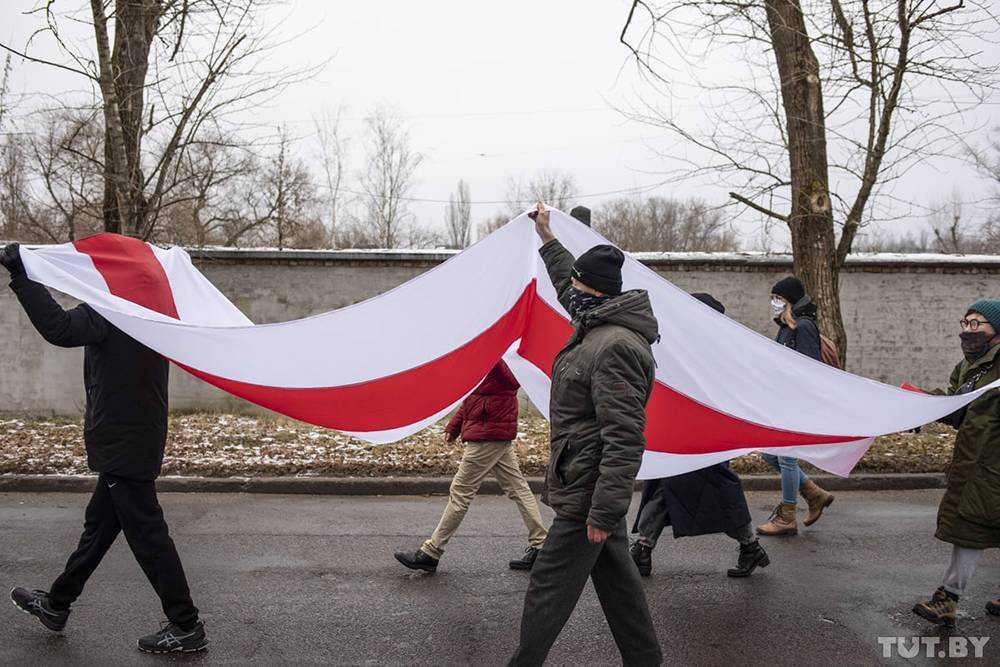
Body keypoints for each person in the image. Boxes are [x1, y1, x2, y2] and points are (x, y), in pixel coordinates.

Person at [1, 243, 208, 654]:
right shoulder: (147, 312)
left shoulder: (114, 312)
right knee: (98, 529)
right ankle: (57, 604)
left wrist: (22, 274)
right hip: (136, 437)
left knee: (149, 535)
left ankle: (186, 624)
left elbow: (59, 328)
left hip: (123, 443)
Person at [509, 202, 662, 667]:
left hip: (588, 492)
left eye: (577, 285)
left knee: (547, 589)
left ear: (594, 293)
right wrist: (547, 237)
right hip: (589, 486)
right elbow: (565, 285)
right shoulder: (595, 320)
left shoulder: (615, 346)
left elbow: (625, 437)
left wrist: (604, 508)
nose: (568, 292)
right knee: (620, 592)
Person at [630, 293, 769, 579]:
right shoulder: (686, 347)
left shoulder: (718, 352)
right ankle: (642, 548)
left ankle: (750, 545)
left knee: (717, 492)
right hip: (680, 433)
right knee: (664, 487)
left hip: (708, 438)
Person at [394, 360, 548, 572]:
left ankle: (431, 552)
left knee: (461, 492)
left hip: (489, 434)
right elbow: (474, 393)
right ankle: (541, 545)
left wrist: (495, 355)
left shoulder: (504, 356)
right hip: (491, 432)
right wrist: (455, 424)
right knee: (519, 489)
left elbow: (513, 383)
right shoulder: (485, 354)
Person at [912, 300, 1000, 627]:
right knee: (972, 526)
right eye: (965, 323)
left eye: (977, 324)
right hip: (976, 463)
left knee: (971, 528)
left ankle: (947, 598)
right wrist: (916, 407)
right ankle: (947, 599)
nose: (968, 330)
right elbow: (955, 405)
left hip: (991, 467)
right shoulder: (969, 366)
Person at [756, 276, 835, 537]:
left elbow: (808, 368)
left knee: (786, 457)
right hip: (781, 400)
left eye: (778, 298)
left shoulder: (803, 327)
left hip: (794, 402)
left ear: (789, 300)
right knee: (769, 454)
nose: (774, 303)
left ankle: (787, 516)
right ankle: (814, 494)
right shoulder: (787, 326)